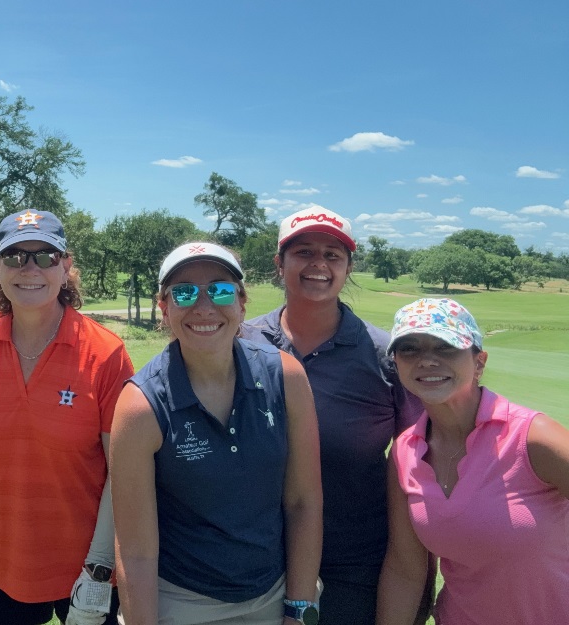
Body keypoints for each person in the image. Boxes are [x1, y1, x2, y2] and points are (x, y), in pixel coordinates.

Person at [0, 209, 135, 625]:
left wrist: (99, 569)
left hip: (85, 565)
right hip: (3, 562)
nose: (29, 268)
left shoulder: (105, 353)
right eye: (15, 257)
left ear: (66, 268)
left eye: (45, 256)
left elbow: (123, 469)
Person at [111, 242, 322, 625]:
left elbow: (303, 502)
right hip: (181, 601)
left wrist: (300, 608)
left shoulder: (286, 377)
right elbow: (136, 550)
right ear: (164, 308)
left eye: (221, 290)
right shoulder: (140, 406)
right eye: (184, 292)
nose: (204, 307)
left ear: (242, 303)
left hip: (272, 596)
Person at [240, 205, 423, 625]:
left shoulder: (384, 356)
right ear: (279, 263)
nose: (318, 264)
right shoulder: (241, 342)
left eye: (332, 254)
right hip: (254, 557)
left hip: (355, 562)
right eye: (303, 252)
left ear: (347, 266)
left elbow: (418, 467)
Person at [376, 298, 569, 623]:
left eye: (446, 347)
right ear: (396, 363)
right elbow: (405, 569)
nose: (427, 361)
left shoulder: (534, 438)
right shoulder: (405, 451)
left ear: (479, 362)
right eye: (410, 349)